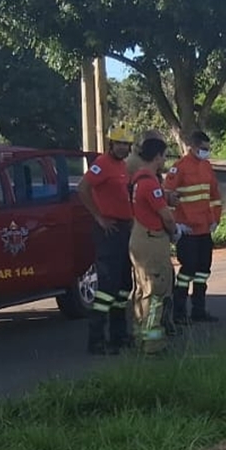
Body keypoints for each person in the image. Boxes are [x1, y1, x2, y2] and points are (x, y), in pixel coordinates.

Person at [77, 125, 136, 355]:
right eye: (119, 143)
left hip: (124, 229)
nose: (122, 148)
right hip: (109, 230)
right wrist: (99, 217)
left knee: (124, 285)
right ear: (111, 144)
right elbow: (83, 188)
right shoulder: (102, 164)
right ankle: (96, 339)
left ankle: (118, 335)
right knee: (107, 287)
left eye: (126, 144)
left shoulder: (122, 166)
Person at [164, 130, 223, 324]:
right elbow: (167, 196)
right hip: (187, 229)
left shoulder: (207, 167)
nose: (206, 152)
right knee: (187, 270)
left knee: (203, 271)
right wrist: (176, 224)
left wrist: (215, 219)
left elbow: (215, 196)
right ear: (193, 147)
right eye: (203, 148)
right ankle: (179, 313)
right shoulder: (179, 168)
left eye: (207, 149)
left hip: (205, 229)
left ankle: (199, 311)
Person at [128, 138, 180, 355]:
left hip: (139, 238)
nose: (165, 160)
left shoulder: (139, 179)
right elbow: (166, 216)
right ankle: (153, 343)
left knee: (142, 290)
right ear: (157, 156)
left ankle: (140, 336)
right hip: (152, 240)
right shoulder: (150, 183)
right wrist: (175, 231)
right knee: (156, 291)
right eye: (164, 156)